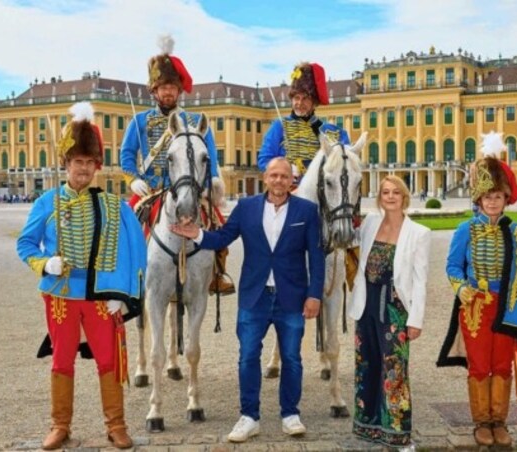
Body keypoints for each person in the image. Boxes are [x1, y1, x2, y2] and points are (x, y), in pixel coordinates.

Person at [17, 102, 146, 450]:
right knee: (61, 360)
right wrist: (44, 264)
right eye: (78, 162)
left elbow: (134, 250)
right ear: (66, 164)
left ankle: (116, 424)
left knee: (108, 359)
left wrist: (124, 293)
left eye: (90, 163)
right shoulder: (47, 202)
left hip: (101, 294)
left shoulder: (113, 205)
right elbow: (25, 244)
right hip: (60, 293)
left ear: (96, 167)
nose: (84, 169)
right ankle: (60, 425)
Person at [170, 157, 324, 443]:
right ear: (265, 178)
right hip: (255, 296)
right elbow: (224, 237)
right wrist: (198, 234)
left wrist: (314, 294)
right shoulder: (247, 207)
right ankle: (249, 416)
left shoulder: (308, 210)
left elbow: (316, 257)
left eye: (284, 176)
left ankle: (290, 414)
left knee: (291, 358)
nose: (279, 181)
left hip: (292, 295)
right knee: (247, 357)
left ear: (292, 181)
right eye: (274, 175)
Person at [437, 132, 517, 448]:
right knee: (479, 366)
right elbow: (452, 267)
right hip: (475, 307)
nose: (492, 201)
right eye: (487, 196)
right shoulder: (465, 230)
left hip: (508, 306)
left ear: (505, 199)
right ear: (478, 200)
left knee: (502, 364)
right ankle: (481, 422)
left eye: (497, 196)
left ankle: (499, 421)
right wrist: (461, 288)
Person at [119, 35, 233, 295]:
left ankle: (218, 272)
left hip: (190, 188)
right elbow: (126, 155)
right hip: (150, 189)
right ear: (154, 90)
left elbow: (211, 157)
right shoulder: (139, 121)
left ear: (179, 90)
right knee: (124, 228)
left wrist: (212, 183)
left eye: (172, 86)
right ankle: (126, 275)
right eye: (162, 87)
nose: (168, 91)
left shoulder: (194, 121)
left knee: (217, 223)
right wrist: (133, 178)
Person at [348, 175, 431, 450]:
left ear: (404, 196)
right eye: (386, 192)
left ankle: (399, 435)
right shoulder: (371, 223)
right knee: (367, 366)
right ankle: (369, 427)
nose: (391, 197)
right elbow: (345, 237)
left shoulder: (419, 233)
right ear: (380, 197)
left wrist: (415, 320)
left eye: (396, 192)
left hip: (395, 308)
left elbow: (420, 280)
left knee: (394, 370)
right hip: (367, 304)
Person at [257, 62, 349, 180]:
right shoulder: (279, 127)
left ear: (314, 103)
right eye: (296, 98)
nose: (299, 103)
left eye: (305, 98)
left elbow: (346, 161)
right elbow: (264, 161)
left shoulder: (334, 132)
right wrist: (285, 168)